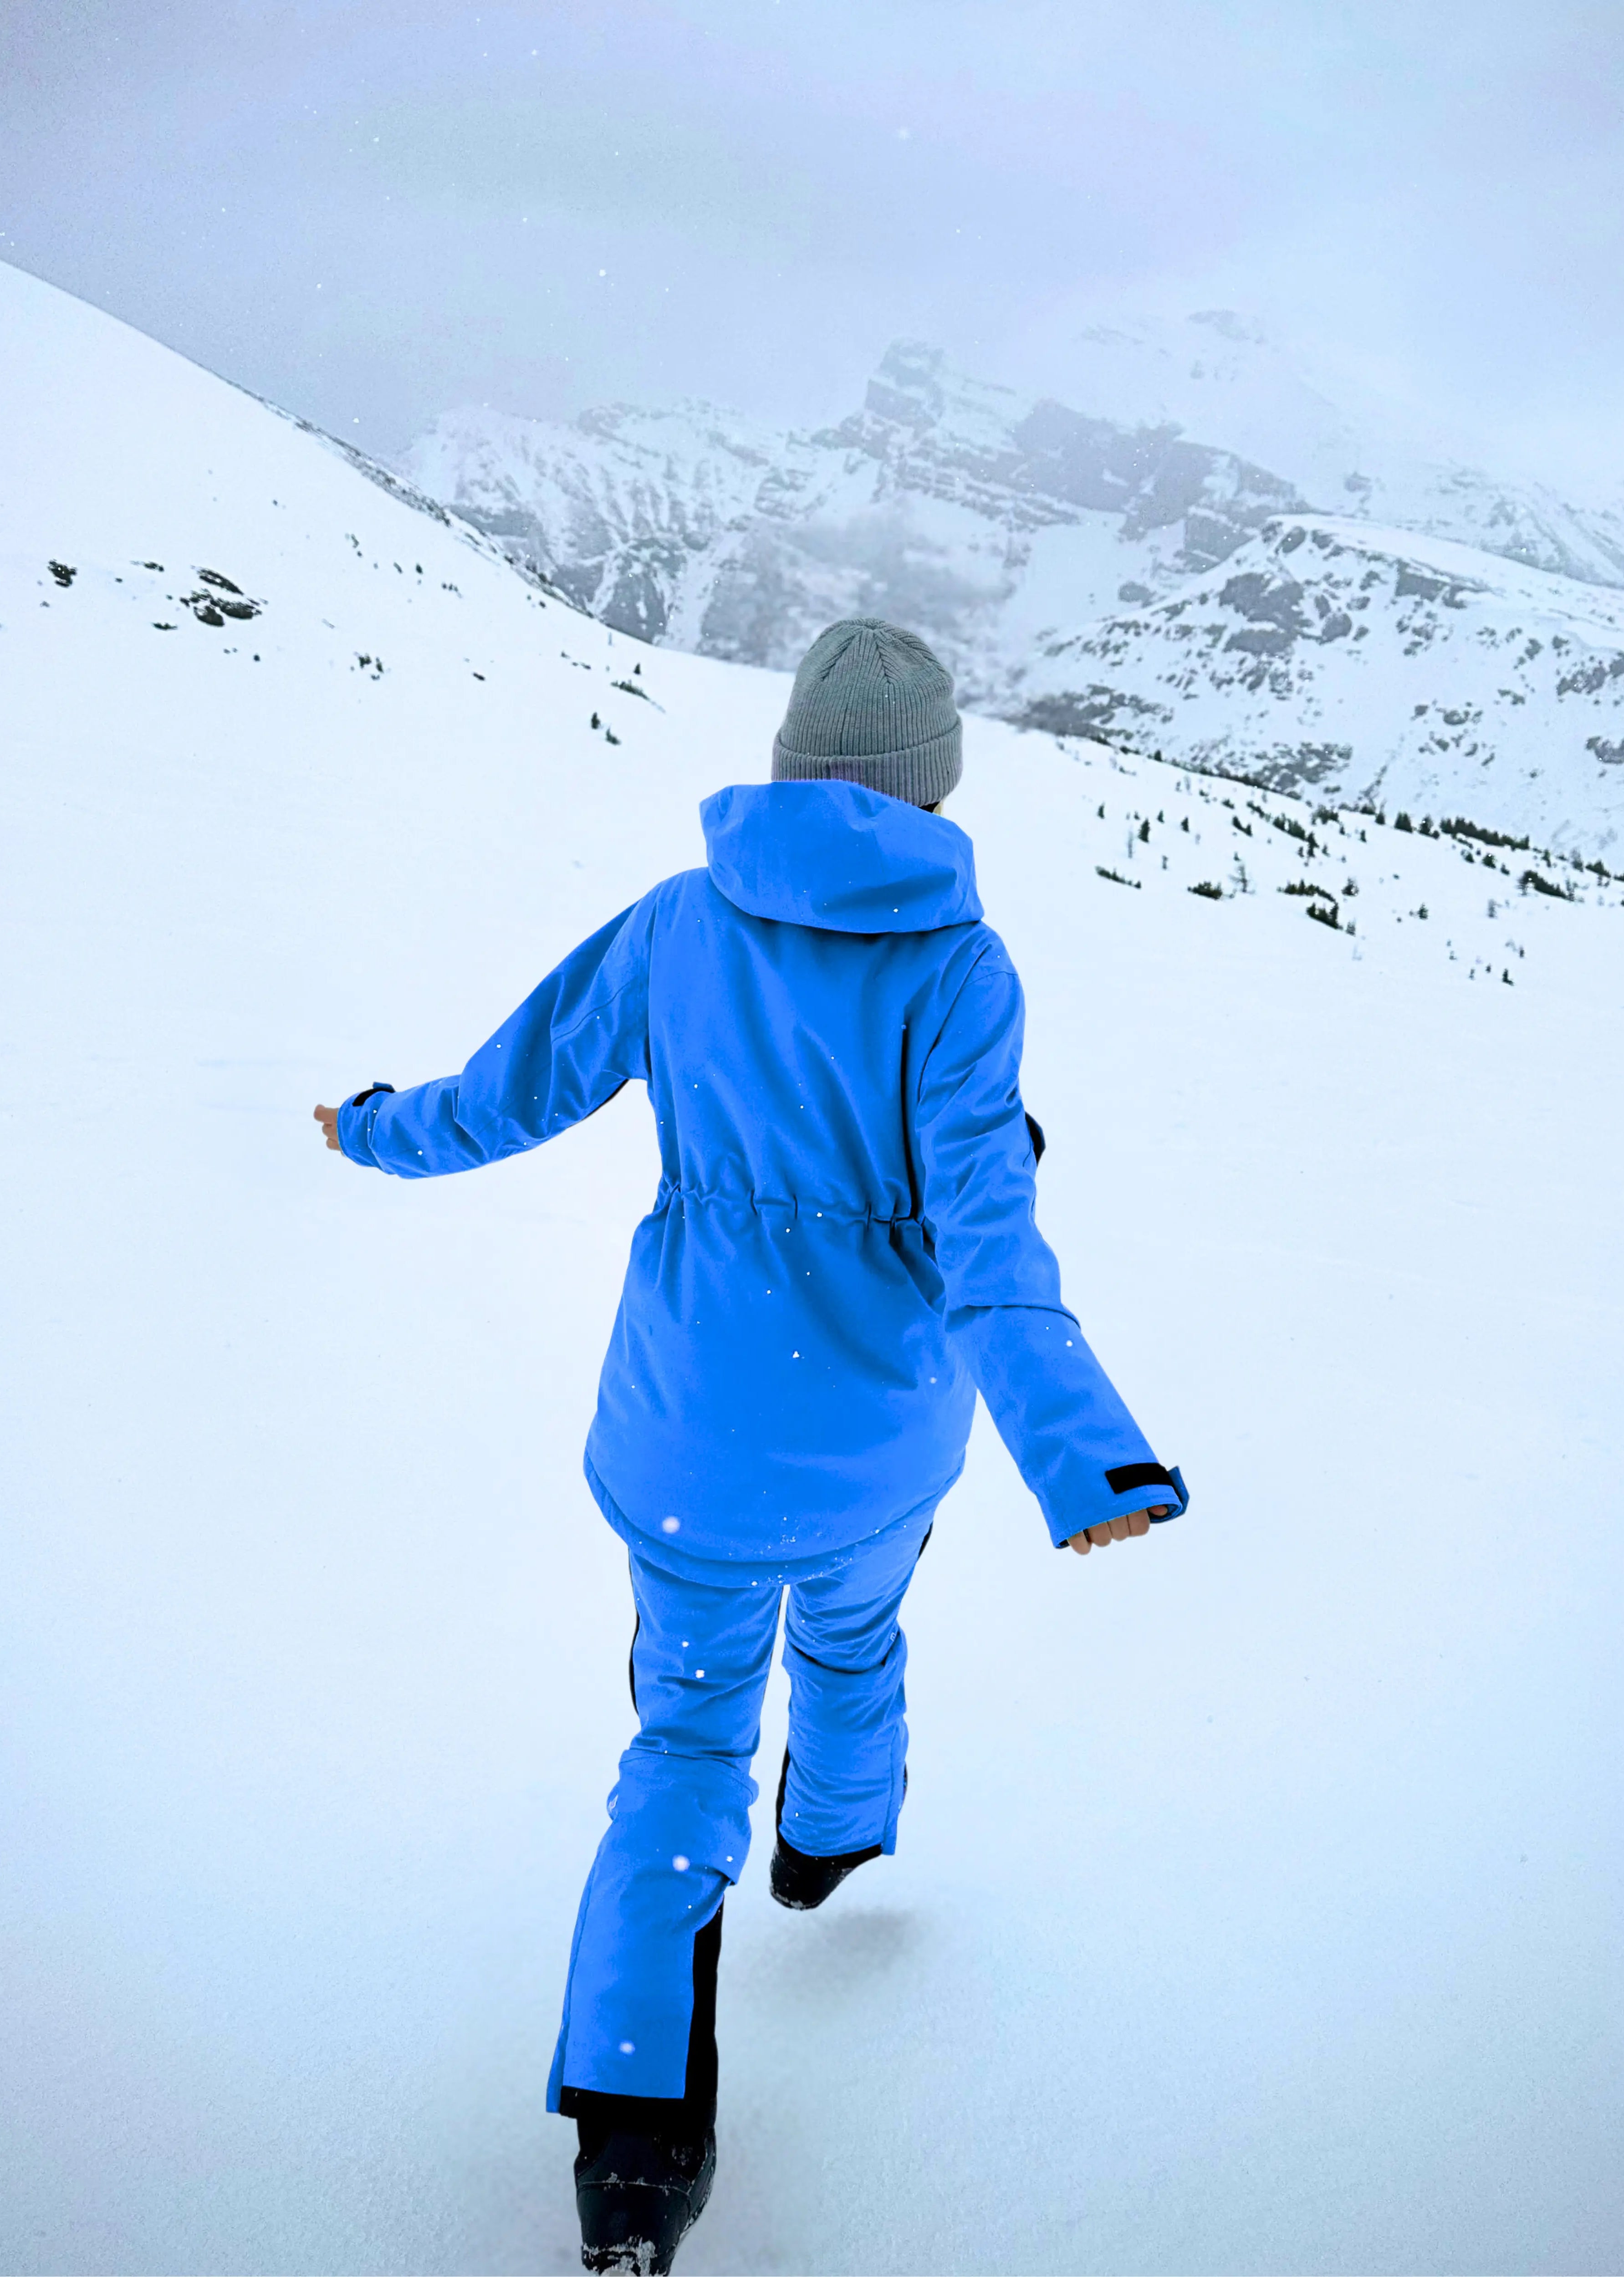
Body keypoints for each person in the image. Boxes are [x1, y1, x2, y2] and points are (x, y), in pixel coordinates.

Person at [314, 618, 1185, 2275]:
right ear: (933, 791)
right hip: (873, 1441)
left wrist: (369, 1130)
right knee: (854, 1641)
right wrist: (1088, 1462)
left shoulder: (678, 927)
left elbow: (504, 1100)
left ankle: (636, 2154)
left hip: (691, 1436)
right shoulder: (960, 970)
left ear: (791, 765)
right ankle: (828, 1849)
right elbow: (991, 1243)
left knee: (683, 1742)